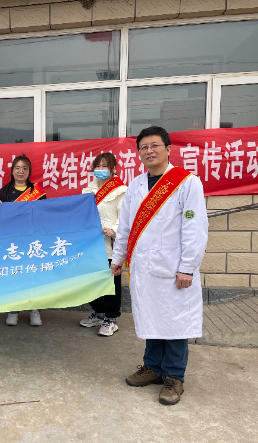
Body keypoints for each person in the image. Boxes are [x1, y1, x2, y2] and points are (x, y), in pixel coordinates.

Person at [111, 126, 208, 406]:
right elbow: (125, 226)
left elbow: (195, 228)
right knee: (151, 318)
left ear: (168, 149)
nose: (149, 151)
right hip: (144, 268)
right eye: (143, 147)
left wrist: (187, 267)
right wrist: (118, 258)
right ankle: (153, 367)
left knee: (174, 323)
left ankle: (174, 377)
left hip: (174, 269)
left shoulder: (187, 183)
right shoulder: (136, 186)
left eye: (154, 145)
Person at [0, 155, 47, 327]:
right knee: (15, 275)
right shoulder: (4, 191)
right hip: (12, 241)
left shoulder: (36, 191)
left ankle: (34, 309)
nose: (21, 171)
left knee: (33, 275)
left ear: (29, 172)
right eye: (17, 168)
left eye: (24, 168)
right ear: (12, 171)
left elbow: (44, 214)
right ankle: (14, 309)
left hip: (32, 239)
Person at [80, 153, 126, 336]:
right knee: (93, 281)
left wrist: (114, 229)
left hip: (110, 245)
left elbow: (125, 217)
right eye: (97, 166)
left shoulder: (120, 190)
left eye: (104, 166)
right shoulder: (88, 190)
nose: (100, 170)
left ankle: (111, 319)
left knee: (111, 282)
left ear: (113, 169)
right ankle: (98, 313)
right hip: (91, 245)